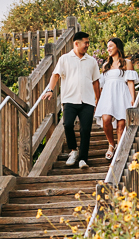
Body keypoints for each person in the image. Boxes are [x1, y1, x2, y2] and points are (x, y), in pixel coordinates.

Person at [42, 31, 101, 169]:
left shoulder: (91, 61)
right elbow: (55, 75)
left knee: (85, 130)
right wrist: (50, 89)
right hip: (69, 99)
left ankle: (83, 159)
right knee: (68, 124)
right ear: (76, 43)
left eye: (88, 42)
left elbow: (96, 82)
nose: (87, 45)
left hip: (87, 100)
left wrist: (98, 99)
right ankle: (74, 150)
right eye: (85, 43)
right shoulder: (64, 59)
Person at [95, 38, 139, 160]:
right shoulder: (105, 65)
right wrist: (98, 100)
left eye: (110, 46)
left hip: (122, 94)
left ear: (117, 47)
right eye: (107, 47)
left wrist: (133, 98)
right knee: (106, 119)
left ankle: (119, 151)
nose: (108, 49)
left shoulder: (126, 63)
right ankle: (111, 144)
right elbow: (102, 85)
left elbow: (130, 82)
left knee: (121, 125)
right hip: (108, 96)